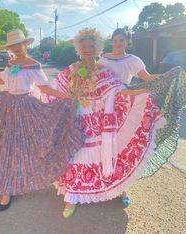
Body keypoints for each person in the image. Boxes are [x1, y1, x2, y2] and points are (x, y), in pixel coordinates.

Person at [50, 28, 166, 218]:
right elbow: (58, 87)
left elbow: (118, 89)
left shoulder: (103, 69)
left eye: (91, 46)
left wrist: (140, 92)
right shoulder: (72, 68)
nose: (87, 49)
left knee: (110, 151)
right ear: (79, 48)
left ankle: (116, 188)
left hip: (100, 117)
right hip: (77, 118)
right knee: (76, 154)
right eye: (84, 46)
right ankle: (72, 195)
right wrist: (40, 92)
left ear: (97, 48)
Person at [0, 29, 83, 212]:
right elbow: (4, 82)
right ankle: (7, 189)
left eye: (18, 45)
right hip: (7, 107)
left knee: (27, 148)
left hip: (27, 109)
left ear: (25, 45)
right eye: (12, 46)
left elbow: (45, 89)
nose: (15, 49)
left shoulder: (34, 65)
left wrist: (66, 96)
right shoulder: (11, 63)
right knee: (7, 147)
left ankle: (21, 180)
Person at [99, 27, 186, 178]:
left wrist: (168, 76)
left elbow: (148, 78)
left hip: (124, 104)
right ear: (111, 41)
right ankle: (101, 175)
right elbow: (96, 77)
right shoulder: (104, 58)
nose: (118, 44)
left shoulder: (133, 60)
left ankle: (119, 181)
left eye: (122, 41)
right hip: (103, 103)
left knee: (121, 142)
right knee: (100, 141)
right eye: (115, 40)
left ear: (128, 43)